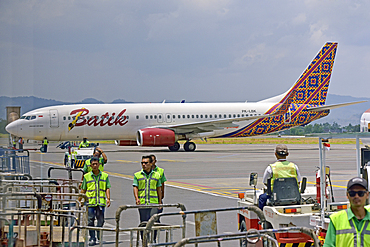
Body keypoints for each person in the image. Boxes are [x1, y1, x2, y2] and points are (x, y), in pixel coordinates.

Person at [323, 177, 370, 247]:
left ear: (367, 195)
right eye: (352, 193)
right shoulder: (336, 220)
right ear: (347, 195)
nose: (356, 196)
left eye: (360, 193)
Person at [258, 144, 301, 209]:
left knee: (261, 198)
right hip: (293, 195)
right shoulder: (294, 166)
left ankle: (261, 217)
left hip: (276, 196)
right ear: (287, 154)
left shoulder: (271, 167)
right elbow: (298, 182)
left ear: (275, 154)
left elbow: (265, 182)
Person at [80, 157, 111, 246]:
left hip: (101, 202)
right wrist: (79, 200)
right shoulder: (87, 176)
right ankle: (92, 238)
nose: (94, 166)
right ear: (90, 165)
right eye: (93, 164)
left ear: (99, 165)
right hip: (90, 202)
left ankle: (99, 233)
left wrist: (108, 198)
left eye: (96, 164)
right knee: (90, 221)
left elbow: (107, 187)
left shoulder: (105, 176)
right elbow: (83, 189)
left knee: (101, 220)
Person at [133, 156, 162, 239]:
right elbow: (135, 187)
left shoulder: (157, 175)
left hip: (153, 202)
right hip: (143, 202)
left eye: (146, 163)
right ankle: (144, 240)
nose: (144, 164)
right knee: (144, 223)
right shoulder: (137, 175)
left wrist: (160, 201)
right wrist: (136, 198)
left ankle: (153, 239)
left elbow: (159, 188)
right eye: (142, 163)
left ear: (151, 164)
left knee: (154, 222)